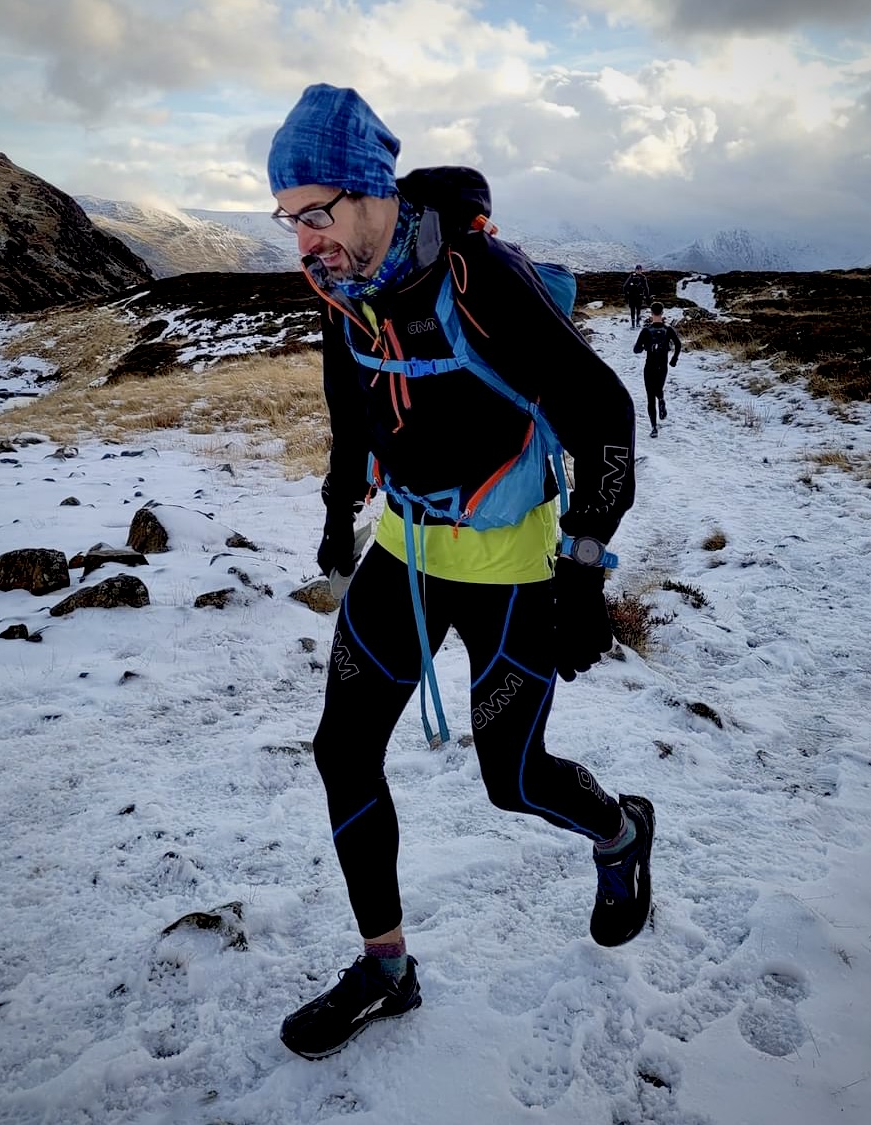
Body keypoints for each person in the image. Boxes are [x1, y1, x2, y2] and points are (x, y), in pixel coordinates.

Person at [267, 84, 655, 1061]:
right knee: (341, 751)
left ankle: (620, 835)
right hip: (406, 549)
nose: (303, 239)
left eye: (316, 213)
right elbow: (351, 393)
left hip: (512, 562)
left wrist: (581, 569)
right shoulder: (343, 284)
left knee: (514, 779)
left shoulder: (480, 279)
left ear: (370, 192)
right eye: (287, 221)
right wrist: (337, 499)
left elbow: (605, 415)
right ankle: (388, 970)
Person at [633, 301, 681, 438]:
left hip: (650, 365)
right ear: (662, 312)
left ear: (651, 313)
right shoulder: (668, 329)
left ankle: (654, 428)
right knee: (658, 388)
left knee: (650, 397)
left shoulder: (646, 330)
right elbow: (678, 344)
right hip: (663, 365)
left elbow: (636, 349)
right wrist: (674, 359)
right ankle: (661, 399)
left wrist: (643, 347)